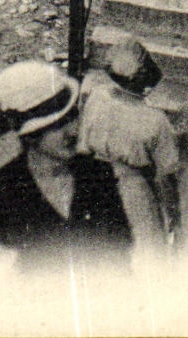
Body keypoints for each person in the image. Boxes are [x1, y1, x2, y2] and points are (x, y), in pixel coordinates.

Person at [0, 61, 133, 270]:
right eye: (56, 126)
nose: (73, 131)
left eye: (72, 117)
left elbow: (121, 257)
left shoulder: (98, 175)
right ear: (29, 136)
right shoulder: (0, 193)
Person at [77, 38, 181, 254]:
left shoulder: (97, 97)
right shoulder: (156, 120)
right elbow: (166, 175)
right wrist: (173, 214)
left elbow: (84, 145)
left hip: (94, 181)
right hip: (134, 192)